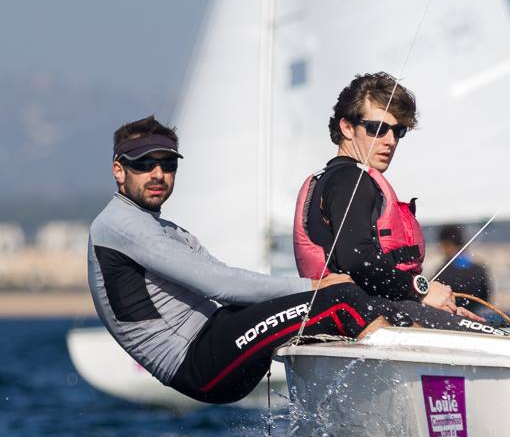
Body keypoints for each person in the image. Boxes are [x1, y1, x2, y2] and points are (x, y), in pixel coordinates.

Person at [89, 115, 388, 405]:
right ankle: (400, 380)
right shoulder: (121, 225)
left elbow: (220, 275)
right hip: (199, 362)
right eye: (144, 164)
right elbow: (220, 285)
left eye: (167, 165)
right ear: (119, 170)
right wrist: (312, 286)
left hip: (215, 340)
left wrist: (315, 288)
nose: (158, 174)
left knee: (345, 299)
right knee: (341, 299)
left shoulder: (164, 229)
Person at [293, 72, 465, 317]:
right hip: (360, 318)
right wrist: (421, 291)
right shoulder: (350, 179)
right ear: (348, 127)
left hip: (366, 312)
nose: (390, 140)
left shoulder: (334, 178)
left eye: (398, 131)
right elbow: (354, 259)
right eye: (378, 128)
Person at [434, 224, 491, 311]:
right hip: (474, 316)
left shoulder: (442, 272)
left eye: (442, 245)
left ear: (447, 244)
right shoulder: (479, 269)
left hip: (451, 316)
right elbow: (486, 298)